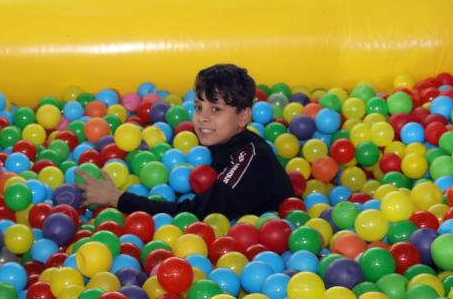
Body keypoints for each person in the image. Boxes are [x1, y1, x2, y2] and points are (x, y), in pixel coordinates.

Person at [78, 64, 296, 220]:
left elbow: (194, 214)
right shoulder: (217, 146)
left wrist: (117, 198)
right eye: (199, 107)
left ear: (243, 117)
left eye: (216, 109)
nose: (202, 117)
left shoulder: (250, 157)